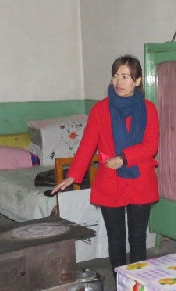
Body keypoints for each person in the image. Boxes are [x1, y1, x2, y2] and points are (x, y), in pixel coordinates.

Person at [52, 55, 159, 275]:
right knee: (116, 238)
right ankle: (120, 285)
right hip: (110, 181)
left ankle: (139, 285)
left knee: (138, 238)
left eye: (125, 77)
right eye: (116, 76)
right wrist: (73, 175)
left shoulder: (149, 109)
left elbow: (151, 146)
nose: (119, 81)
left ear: (137, 81)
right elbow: (87, 144)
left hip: (140, 179)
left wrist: (123, 159)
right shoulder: (100, 110)